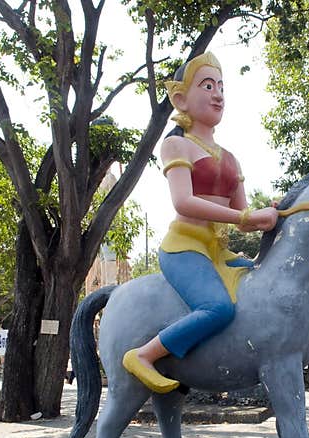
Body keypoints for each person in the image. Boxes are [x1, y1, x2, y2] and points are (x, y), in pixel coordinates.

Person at [121, 51, 278, 393]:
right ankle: (144, 355)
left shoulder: (232, 158)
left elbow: (244, 222)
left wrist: (276, 213)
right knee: (218, 308)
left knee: (265, 284)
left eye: (221, 86)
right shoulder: (176, 145)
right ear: (180, 98)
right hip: (185, 246)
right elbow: (184, 202)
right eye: (208, 85)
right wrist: (245, 216)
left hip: (219, 251)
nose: (218, 93)